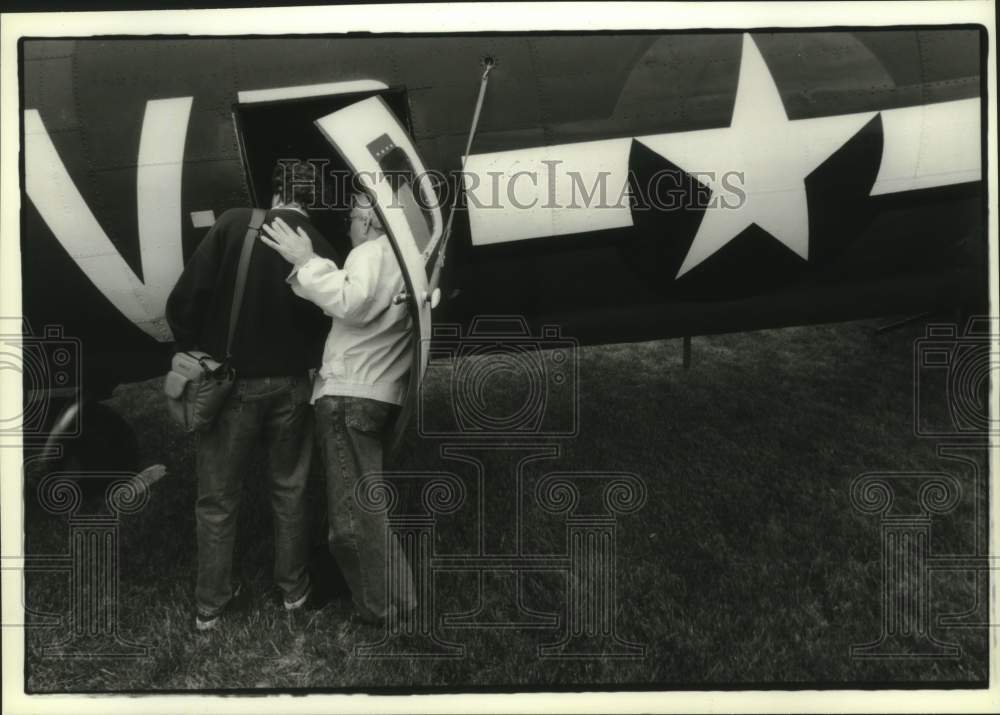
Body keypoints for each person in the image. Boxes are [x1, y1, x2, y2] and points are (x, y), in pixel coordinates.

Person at [166, 161, 338, 631]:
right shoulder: (321, 246)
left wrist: (196, 349)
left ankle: (211, 605)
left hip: (231, 388)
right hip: (293, 387)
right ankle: (294, 590)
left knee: (218, 499)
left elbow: (182, 301)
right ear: (313, 197)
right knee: (291, 489)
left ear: (276, 189)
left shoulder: (234, 222)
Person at [260, 191, 416, 625]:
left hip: (349, 395)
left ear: (368, 222)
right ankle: (399, 601)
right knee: (370, 509)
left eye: (349, 218)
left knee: (351, 518)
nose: (346, 226)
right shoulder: (405, 255)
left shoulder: (370, 250)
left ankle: (377, 609)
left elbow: (352, 301)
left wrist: (306, 259)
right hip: (374, 392)